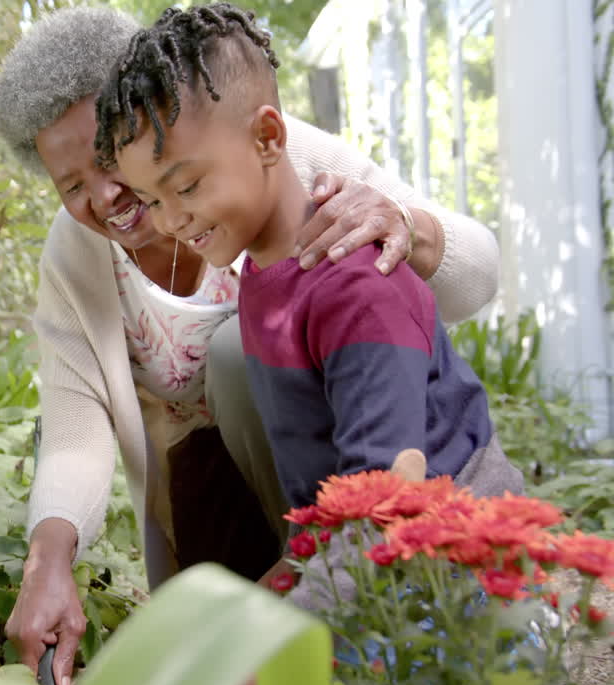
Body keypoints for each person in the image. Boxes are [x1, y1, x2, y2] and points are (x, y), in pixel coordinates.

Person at [0, 4, 502, 685]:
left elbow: (477, 274)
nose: (106, 197)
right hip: (231, 512)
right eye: (71, 185)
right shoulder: (85, 254)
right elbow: (75, 430)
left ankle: (321, 615)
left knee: (234, 356)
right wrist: (47, 560)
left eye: (107, 160)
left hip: (370, 498)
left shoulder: (269, 163)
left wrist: (406, 227)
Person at [95, 2, 524, 611]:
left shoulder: (356, 289)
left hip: (459, 582)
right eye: (152, 199)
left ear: (268, 138)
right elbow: (331, 511)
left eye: (186, 186)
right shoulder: (264, 277)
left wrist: (267, 630)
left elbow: (382, 513)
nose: (171, 220)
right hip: (366, 560)